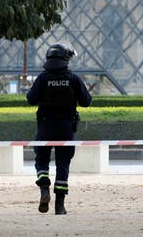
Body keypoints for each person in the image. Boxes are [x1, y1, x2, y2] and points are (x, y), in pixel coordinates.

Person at [26, 42, 92, 215]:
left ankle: (44, 188)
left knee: (41, 160)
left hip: (45, 126)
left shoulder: (42, 78)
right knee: (63, 164)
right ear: (65, 59)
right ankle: (60, 206)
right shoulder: (73, 78)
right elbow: (86, 101)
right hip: (66, 128)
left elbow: (31, 99)